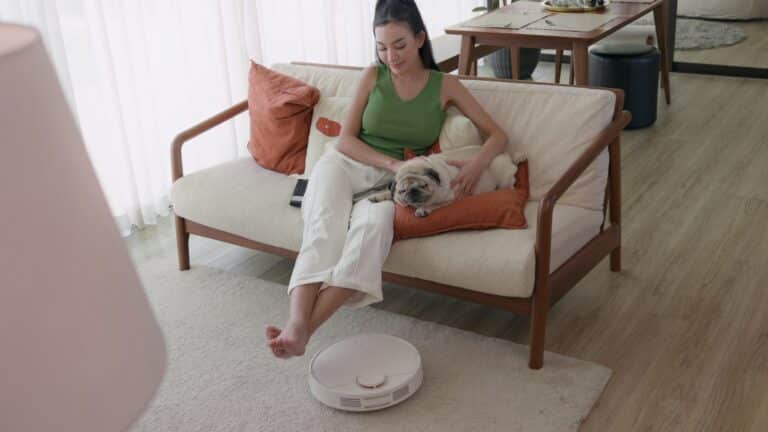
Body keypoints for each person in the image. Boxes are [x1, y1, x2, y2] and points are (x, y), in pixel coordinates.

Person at [266, 0, 508, 358]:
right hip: (346, 164)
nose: (391, 57)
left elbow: (498, 135)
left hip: (390, 188)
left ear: (420, 39)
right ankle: (298, 323)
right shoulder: (372, 76)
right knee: (324, 226)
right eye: (382, 48)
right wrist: (391, 165)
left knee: (373, 235)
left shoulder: (445, 85)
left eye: (400, 46)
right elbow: (346, 139)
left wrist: (474, 166)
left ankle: (304, 330)